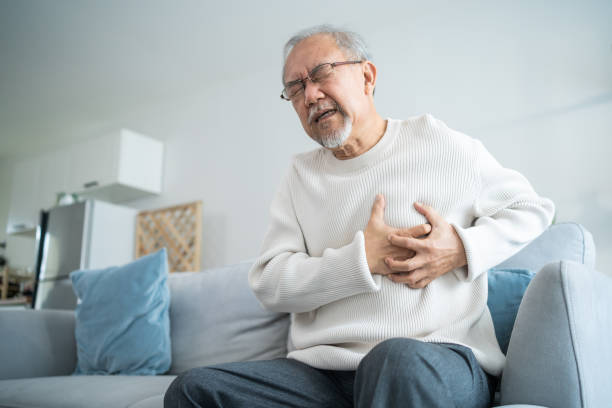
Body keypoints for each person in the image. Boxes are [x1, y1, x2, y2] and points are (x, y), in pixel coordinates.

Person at [164, 24, 555, 408]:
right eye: (295, 89)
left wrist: (462, 247)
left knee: (393, 362)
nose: (311, 95)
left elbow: (532, 209)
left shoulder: (440, 142)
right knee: (194, 389)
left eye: (320, 74)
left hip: (433, 357)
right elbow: (270, 283)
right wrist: (360, 261)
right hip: (320, 376)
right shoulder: (300, 177)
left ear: (367, 76)